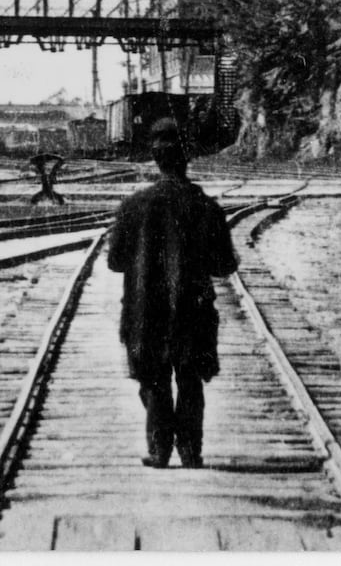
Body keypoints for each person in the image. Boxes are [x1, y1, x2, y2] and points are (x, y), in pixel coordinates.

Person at [106, 117, 238, 469]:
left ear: (155, 158)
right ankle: (191, 451)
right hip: (192, 309)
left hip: (144, 309)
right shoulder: (207, 207)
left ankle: (160, 448)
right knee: (191, 380)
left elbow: (115, 262)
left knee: (153, 378)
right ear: (187, 158)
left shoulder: (132, 207)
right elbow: (225, 265)